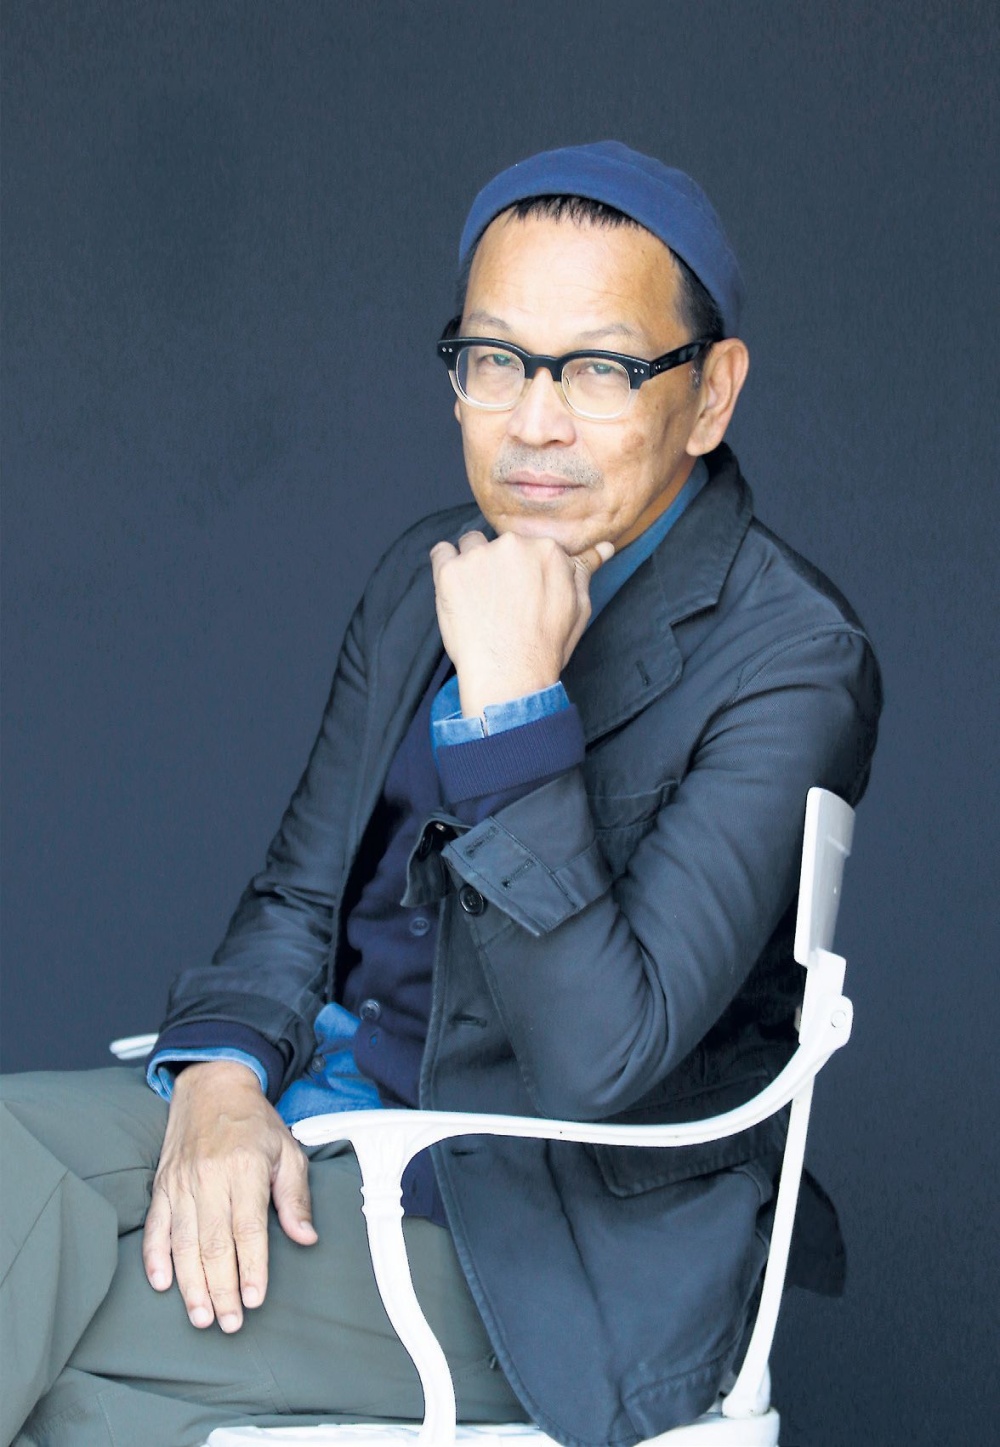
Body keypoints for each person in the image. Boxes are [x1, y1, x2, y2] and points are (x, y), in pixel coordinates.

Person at [0, 141, 881, 1447]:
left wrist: (515, 708)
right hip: (331, 1114)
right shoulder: (426, 577)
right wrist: (226, 1076)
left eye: (600, 368)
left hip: (543, 1242)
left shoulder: (793, 661)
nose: (535, 421)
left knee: (69, 1351)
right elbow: (297, 898)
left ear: (709, 395)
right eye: (495, 360)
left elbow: (602, 1064)